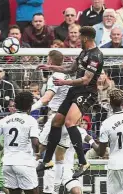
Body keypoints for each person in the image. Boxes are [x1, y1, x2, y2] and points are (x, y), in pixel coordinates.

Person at [31, 50, 90, 194]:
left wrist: (29, 109)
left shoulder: (56, 77)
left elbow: (47, 98)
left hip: (57, 120)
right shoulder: (69, 76)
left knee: (42, 143)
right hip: (64, 125)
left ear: (49, 61)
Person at [37, 26, 104, 176]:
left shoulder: (96, 56)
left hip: (87, 93)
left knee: (69, 123)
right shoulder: (83, 52)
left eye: (80, 37)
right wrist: (51, 66)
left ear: (85, 38)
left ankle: (83, 162)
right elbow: (71, 69)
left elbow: (86, 80)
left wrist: (65, 83)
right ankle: (47, 160)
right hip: (75, 91)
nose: (78, 39)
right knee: (56, 122)